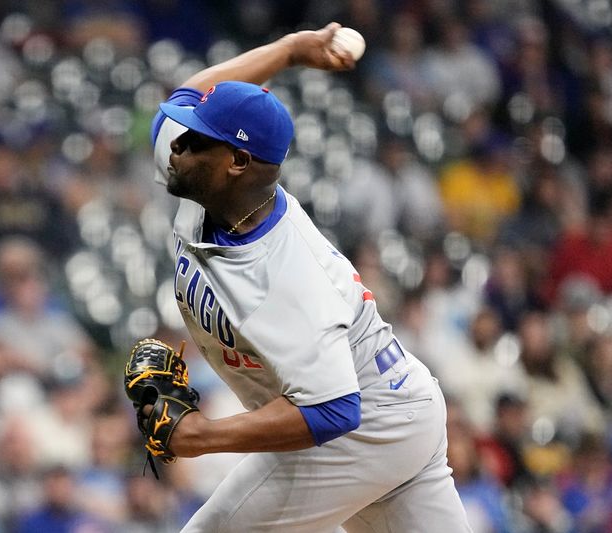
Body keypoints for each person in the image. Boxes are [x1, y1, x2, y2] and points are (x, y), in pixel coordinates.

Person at [147, 22, 472, 532]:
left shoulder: (289, 277)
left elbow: (334, 412)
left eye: (194, 140)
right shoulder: (199, 178)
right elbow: (189, 93)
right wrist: (291, 49)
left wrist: (201, 436)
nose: (175, 145)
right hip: (400, 413)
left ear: (237, 161)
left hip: (364, 428)